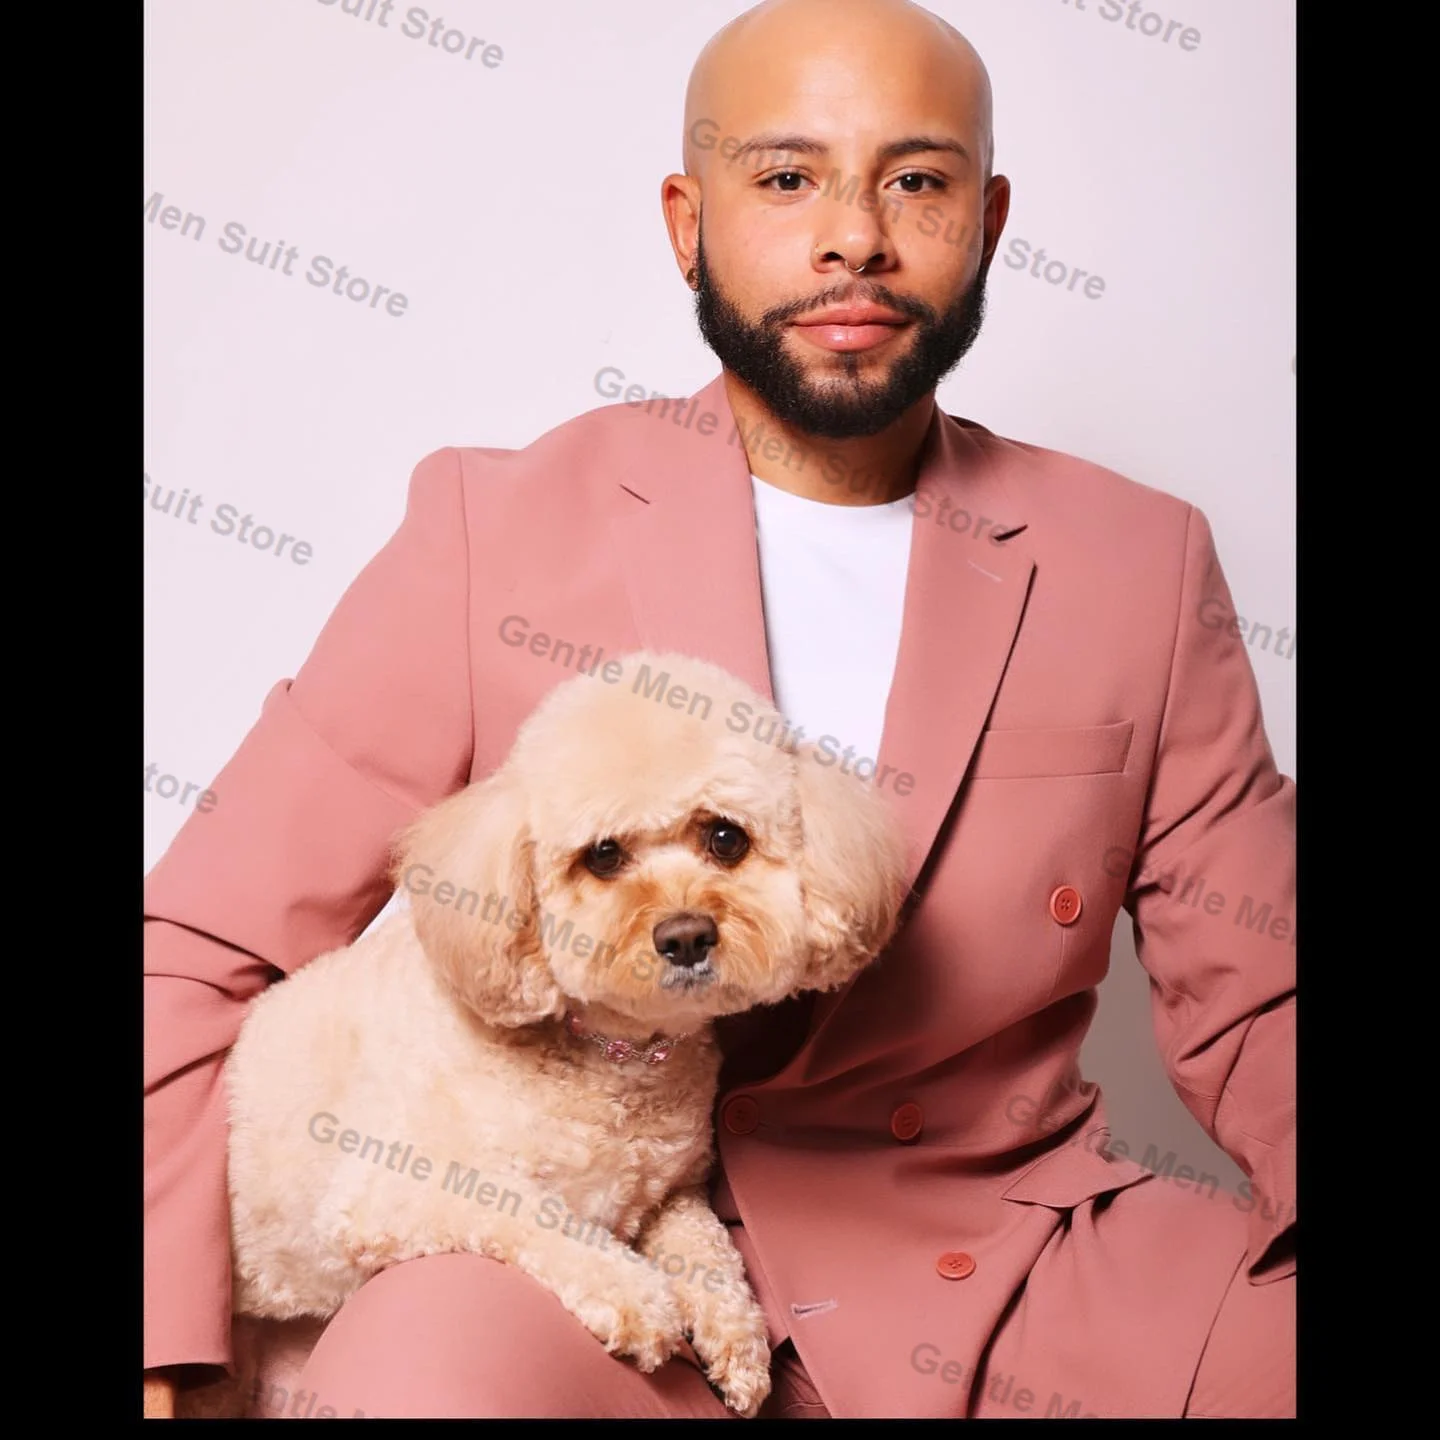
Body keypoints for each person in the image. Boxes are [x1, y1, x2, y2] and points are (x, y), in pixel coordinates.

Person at [144, 0, 1294, 1418]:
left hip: (1015, 1277)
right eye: (788, 176)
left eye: (917, 181)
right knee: (419, 1370)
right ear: (688, 223)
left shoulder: (1136, 556)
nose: (855, 237)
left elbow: (1267, 996)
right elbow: (197, 953)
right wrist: (162, 1346)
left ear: (991, 223)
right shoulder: (490, 530)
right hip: (598, 1289)